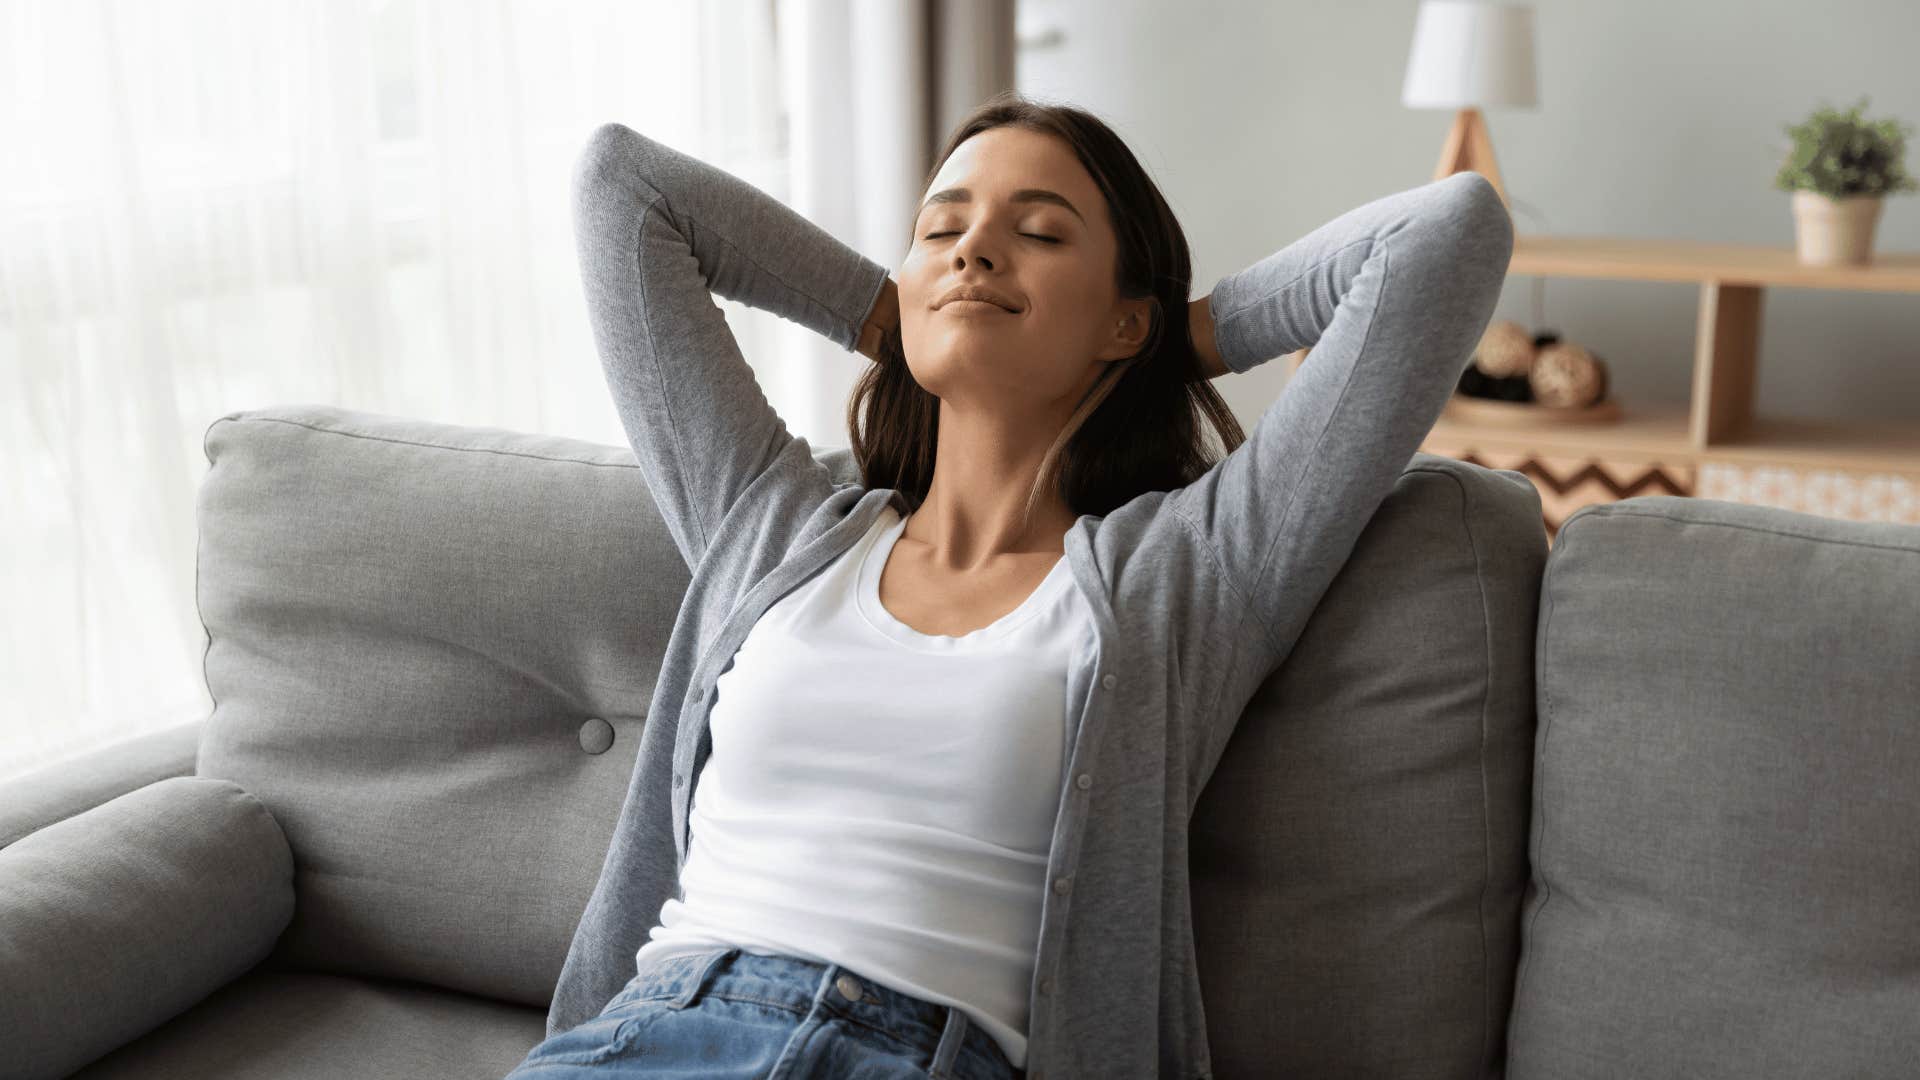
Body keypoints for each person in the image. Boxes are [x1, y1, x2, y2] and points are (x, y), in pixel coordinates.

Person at [507, 90, 1513, 1079]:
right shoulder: (771, 529)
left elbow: (1447, 234)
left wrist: (1175, 340)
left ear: (1122, 321)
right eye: (942, 228)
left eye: (1037, 233)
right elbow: (622, 187)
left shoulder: (1188, 572)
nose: (973, 250)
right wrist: (885, 312)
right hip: (651, 1038)